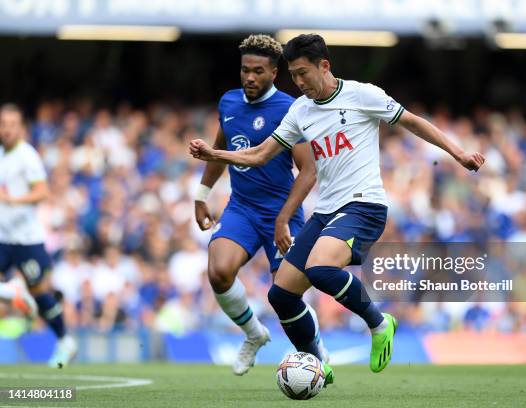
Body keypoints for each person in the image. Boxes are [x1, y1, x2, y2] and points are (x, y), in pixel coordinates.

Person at [190, 34, 485, 382]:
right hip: (326, 213)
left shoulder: (362, 95)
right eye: (294, 76)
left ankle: (379, 322)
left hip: (364, 206)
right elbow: (259, 154)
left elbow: (413, 121)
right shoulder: (300, 110)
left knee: (320, 269)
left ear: (324, 66)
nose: (299, 83)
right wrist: (215, 155)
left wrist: (458, 153)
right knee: (281, 295)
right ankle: (318, 367)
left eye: (304, 73)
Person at [194, 34, 326, 375]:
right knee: (219, 271)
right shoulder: (228, 103)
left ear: (273, 73)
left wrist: (284, 218)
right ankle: (254, 334)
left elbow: (308, 171)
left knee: (286, 295)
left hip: (282, 213)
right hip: (242, 208)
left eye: (258, 71)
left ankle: (318, 357)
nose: (250, 77)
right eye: (244, 70)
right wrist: (201, 194)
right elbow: (220, 150)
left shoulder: (288, 109)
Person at [0, 103, 78, 367]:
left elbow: (43, 192)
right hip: (2, 237)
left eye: (12, 124)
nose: (6, 129)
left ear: (20, 128)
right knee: (27, 293)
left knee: (40, 294)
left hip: (26, 239)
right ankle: (13, 294)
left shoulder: (27, 156)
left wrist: (12, 200)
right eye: (2, 124)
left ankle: (65, 341)